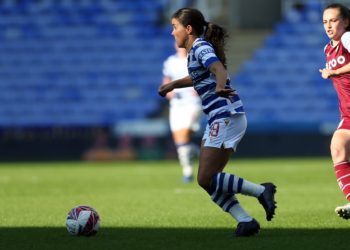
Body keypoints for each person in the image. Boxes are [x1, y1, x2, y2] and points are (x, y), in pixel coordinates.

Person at [158, 8, 277, 236]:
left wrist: (220, 86)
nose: (172, 33)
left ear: (188, 29)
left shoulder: (201, 47)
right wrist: (172, 85)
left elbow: (217, 68)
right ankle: (245, 221)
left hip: (226, 116)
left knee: (206, 177)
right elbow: (199, 76)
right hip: (220, 117)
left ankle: (262, 191)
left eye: (175, 27)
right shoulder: (195, 51)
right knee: (207, 181)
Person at [319, 3, 350, 220]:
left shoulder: (348, 38)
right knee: (338, 148)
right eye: (325, 22)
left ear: (346, 22)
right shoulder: (328, 48)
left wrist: (335, 71)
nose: (329, 26)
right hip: (347, 114)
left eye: (334, 20)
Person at [161, 44, 202, 182]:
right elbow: (166, 82)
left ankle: (188, 172)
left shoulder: (196, 59)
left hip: (192, 103)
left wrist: (199, 88)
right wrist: (168, 92)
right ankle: (197, 156)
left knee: (183, 136)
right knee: (180, 140)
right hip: (176, 105)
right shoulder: (170, 62)